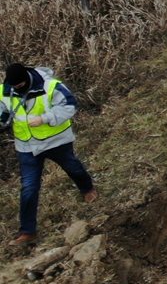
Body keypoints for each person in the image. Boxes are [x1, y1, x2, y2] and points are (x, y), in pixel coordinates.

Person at [1, 63, 96, 247]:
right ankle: (27, 232)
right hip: (27, 147)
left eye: (19, 86)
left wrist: (44, 118)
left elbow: (70, 106)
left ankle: (87, 188)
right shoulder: (5, 90)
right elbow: (3, 111)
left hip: (56, 142)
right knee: (28, 188)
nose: (16, 89)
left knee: (73, 167)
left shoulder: (51, 86)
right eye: (13, 87)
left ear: (26, 78)